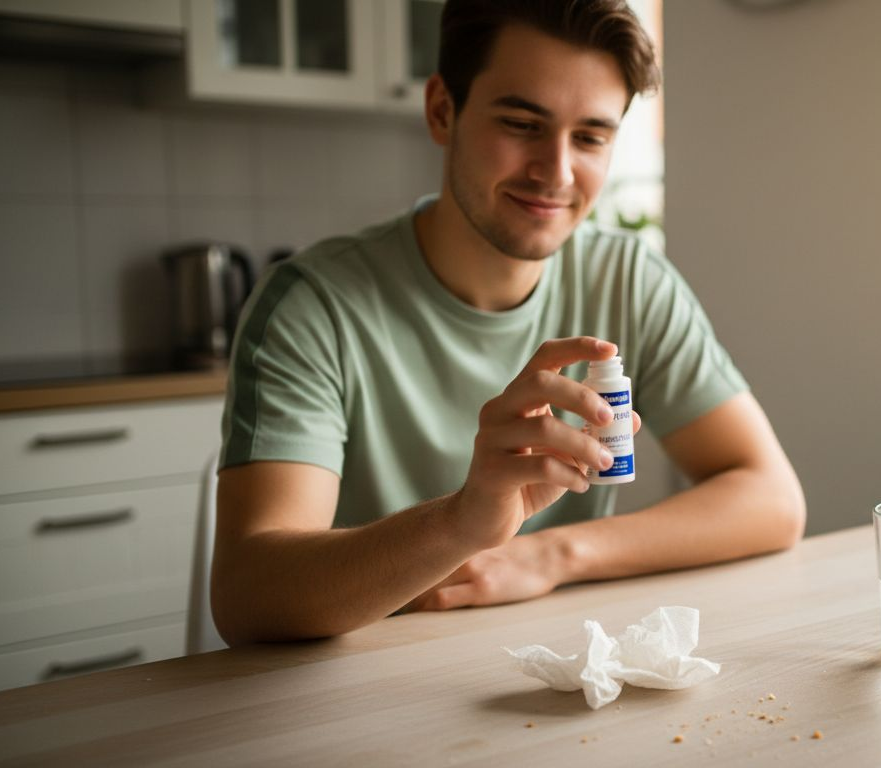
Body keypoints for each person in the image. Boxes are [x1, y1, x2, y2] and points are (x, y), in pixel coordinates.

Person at [211, 0, 805, 646]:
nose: (556, 172)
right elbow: (249, 595)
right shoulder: (313, 305)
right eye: (522, 124)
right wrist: (464, 523)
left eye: (590, 137)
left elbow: (771, 499)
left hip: (557, 673)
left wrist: (550, 556)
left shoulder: (629, 279)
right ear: (443, 110)